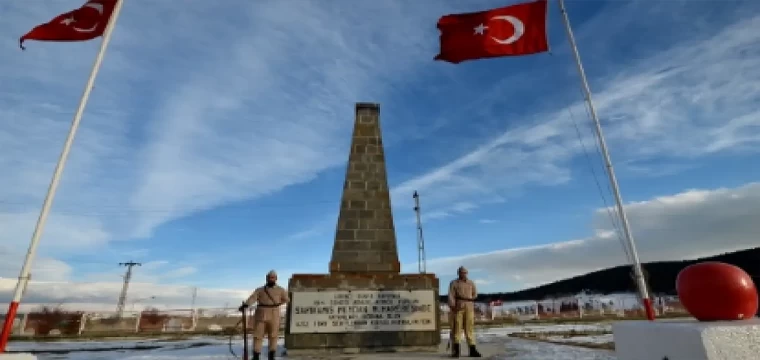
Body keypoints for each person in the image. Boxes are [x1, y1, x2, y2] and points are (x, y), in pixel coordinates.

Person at [239, 270, 289, 360]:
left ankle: (271, 356)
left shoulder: (281, 290)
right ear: (266, 278)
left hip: (274, 315)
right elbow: (253, 298)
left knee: (273, 336)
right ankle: (256, 356)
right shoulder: (260, 290)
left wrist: (277, 304)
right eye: (269, 277)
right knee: (258, 336)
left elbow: (286, 299)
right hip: (261, 314)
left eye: (273, 277)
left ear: (276, 279)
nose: (271, 279)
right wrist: (245, 305)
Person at [448, 266, 481, 358]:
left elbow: (475, 294)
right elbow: (451, 295)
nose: (463, 274)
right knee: (457, 328)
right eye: (461, 272)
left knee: (469, 328)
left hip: (469, 307)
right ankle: (456, 351)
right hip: (458, 306)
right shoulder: (454, 283)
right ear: (458, 273)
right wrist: (452, 306)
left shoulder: (471, 283)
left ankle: (472, 350)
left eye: (465, 272)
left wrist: (470, 298)